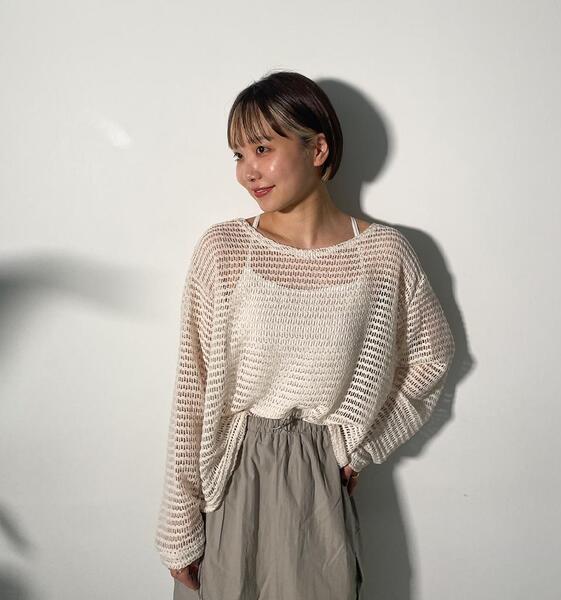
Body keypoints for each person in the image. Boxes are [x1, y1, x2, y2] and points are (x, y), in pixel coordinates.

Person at [154, 70, 455, 600]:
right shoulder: (224, 250)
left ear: (317, 149)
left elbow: (432, 357)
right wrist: (179, 523)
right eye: (238, 155)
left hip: (320, 482)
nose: (248, 172)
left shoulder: (383, 254)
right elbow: (192, 396)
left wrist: (362, 446)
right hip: (231, 473)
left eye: (262, 149)